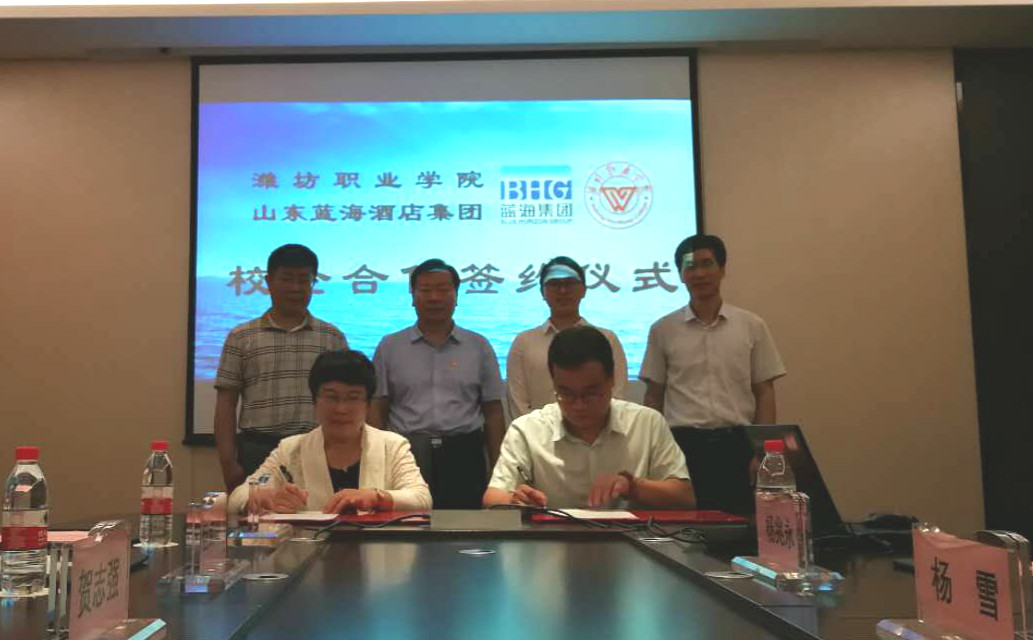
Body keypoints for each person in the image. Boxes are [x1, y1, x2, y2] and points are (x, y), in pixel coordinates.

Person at [639, 234, 786, 513]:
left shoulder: (751, 326)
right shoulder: (663, 329)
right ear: (681, 274)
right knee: (684, 528)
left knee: (740, 525)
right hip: (681, 447)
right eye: (690, 266)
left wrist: (762, 452)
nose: (699, 274)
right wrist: (651, 453)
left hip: (738, 446)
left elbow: (764, 392)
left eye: (707, 264)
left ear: (722, 269)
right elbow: (654, 396)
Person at [483, 325, 694, 509]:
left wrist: (634, 487)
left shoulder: (646, 423)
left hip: (633, 538)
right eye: (566, 394)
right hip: (553, 539)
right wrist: (515, 500)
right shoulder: (527, 429)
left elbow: (685, 497)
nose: (579, 405)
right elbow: (492, 498)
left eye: (591, 393)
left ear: (611, 380)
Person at [369, 259, 506, 509]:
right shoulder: (390, 346)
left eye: (443, 290)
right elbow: (378, 408)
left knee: (464, 527)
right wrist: (376, 460)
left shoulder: (479, 346)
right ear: (412, 296)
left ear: (456, 296)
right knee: (404, 524)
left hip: (464, 453)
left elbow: (493, 411)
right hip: (405, 452)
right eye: (425, 290)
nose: (434, 297)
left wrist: (499, 468)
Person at [228, 350, 430, 515]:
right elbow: (238, 497)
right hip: (309, 548)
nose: (341, 409)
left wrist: (376, 497)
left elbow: (421, 498)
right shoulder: (290, 449)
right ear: (315, 401)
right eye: (331, 397)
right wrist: (265, 497)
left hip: (376, 549)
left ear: (368, 404)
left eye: (353, 397)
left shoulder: (392, 445)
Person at [214, 244, 347, 492]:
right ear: (268, 282)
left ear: (313, 283)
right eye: (287, 279)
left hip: (318, 449)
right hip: (258, 450)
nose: (295, 288)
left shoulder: (332, 338)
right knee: (257, 516)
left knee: (321, 514)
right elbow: (226, 404)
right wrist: (228, 463)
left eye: (303, 280)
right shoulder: (241, 337)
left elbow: (345, 402)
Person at [506, 257, 628, 418]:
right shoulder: (523, 342)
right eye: (554, 284)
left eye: (570, 283)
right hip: (539, 433)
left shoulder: (607, 339)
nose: (562, 290)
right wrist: (536, 432)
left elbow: (617, 396)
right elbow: (518, 403)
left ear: (584, 290)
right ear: (542, 292)